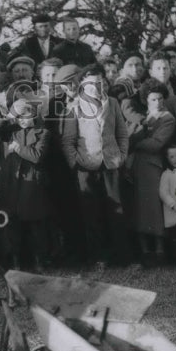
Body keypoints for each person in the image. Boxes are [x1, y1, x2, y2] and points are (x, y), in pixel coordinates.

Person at [60, 64, 131, 268]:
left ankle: (122, 256)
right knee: (92, 213)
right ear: (82, 84)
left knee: (116, 211)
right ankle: (99, 257)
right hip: (86, 166)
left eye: (100, 82)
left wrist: (122, 156)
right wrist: (76, 163)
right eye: (91, 82)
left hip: (110, 165)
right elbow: (68, 140)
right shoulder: (74, 107)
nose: (96, 86)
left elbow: (122, 134)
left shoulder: (113, 104)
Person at [0, 98, 53, 271]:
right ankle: (16, 261)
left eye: (26, 115)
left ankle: (40, 260)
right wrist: (9, 115)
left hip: (32, 183)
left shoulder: (43, 132)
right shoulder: (11, 130)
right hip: (12, 182)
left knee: (35, 223)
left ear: (34, 113)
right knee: (13, 224)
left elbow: (37, 156)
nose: (22, 120)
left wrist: (17, 148)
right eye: (19, 117)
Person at [125, 79, 175, 266]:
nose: (158, 102)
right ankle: (145, 251)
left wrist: (133, 142)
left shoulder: (167, 118)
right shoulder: (143, 116)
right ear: (146, 100)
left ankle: (159, 251)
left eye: (160, 98)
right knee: (139, 207)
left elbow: (156, 144)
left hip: (152, 164)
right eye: (153, 99)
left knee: (153, 208)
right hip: (136, 165)